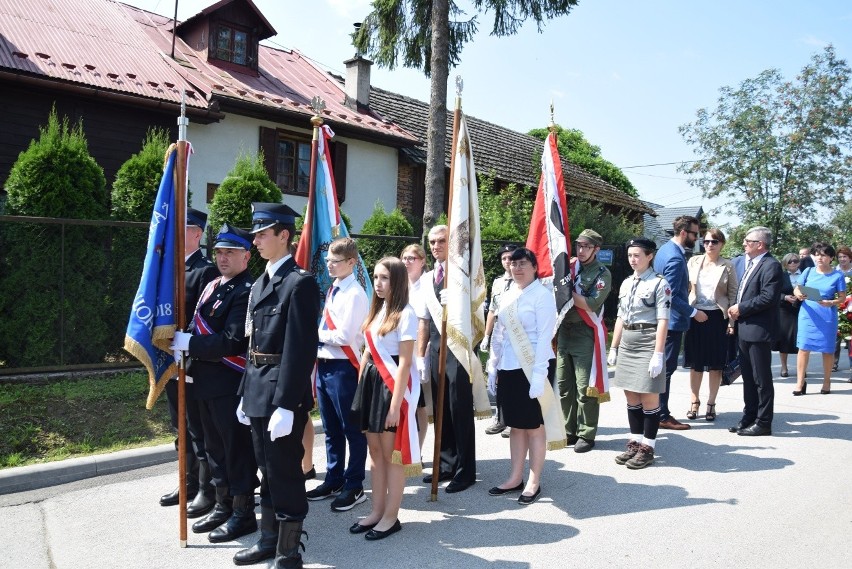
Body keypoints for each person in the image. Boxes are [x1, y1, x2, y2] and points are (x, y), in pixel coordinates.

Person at [234, 203, 320, 569]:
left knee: (284, 471)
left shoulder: (299, 284)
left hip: (281, 394)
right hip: (256, 388)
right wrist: (243, 393)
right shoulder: (260, 283)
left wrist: (286, 404)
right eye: (254, 234)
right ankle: (269, 539)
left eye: (262, 233)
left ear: (284, 235)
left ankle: (289, 550)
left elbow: (301, 349)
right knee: (265, 469)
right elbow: (252, 344)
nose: (255, 240)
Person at [170, 224, 258, 543]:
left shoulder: (245, 289)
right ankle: (223, 504)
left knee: (235, 450)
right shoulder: (215, 285)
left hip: (228, 384)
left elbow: (232, 341)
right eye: (219, 252)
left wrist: (190, 344)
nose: (222, 258)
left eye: (230, 252)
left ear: (246, 256)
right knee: (214, 448)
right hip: (206, 382)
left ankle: (243, 513)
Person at [350, 257, 421, 539]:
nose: (378, 284)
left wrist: (395, 405)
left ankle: (391, 517)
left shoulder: (406, 313)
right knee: (375, 453)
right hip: (371, 383)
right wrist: (360, 385)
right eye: (376, 277)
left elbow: (404, 363)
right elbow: (368, 350)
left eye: (384, 278)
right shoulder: (377, 310)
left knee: (392, 457)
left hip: (390, 388)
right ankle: (376, 511)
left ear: (398, 281)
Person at [160, 207, 219, 518]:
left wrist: (187, 344)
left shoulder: (205, 271)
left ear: (197, 233)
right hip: (170, 359)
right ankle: (186, 482)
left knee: (198, 429)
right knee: (179, 426)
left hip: (192, 360)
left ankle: (205, 489)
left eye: (184, 229)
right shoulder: (169, 268)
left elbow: (204, 320)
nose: (177, 234)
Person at [486, 248, 557, 503]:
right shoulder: (507, 295)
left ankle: (534, 480)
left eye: (523, 264)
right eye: (513, 264)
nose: (517, 268)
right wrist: (494, 365)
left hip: (533, 368)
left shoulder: (542, 296)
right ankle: (515, 477)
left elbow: (544, 338)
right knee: (516, 425)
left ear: (535, 267)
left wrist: (539, 376)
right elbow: (500, 334)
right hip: (510, 367)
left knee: (534, 427)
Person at [306, 238, 370, 512]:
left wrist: (314, 334)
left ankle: (354, 484)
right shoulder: (335, 289)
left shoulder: (355, 294)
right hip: (325, 364)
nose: (329, 265)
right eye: (328, 261)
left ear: (352, 263)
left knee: (351, 429)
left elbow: (344, 335)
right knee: (331, 429)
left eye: (335, 261)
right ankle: (333, 478)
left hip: (345, 367)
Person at [415, 225, 476, 493]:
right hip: (438, 349)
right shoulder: (428, 279)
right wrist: (420, 355)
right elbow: (423, 321)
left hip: (459, 349)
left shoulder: (463, 274)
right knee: (441, 410)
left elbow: (477, 308)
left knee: (459, 408)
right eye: (432, 241)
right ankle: (446, 463)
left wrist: (461, 302)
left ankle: (465, 470)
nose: (436, 245)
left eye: (441, 240)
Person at [607, 237, 671, 469]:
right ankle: (634, 442)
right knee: (631, 395)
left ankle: (648, 447)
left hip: (648, 341)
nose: (633, 260)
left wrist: (658, 353)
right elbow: (621, 318)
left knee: (649, 396)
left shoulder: (659, 283)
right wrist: (613, 347)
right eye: (630, 255)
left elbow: (663, 320)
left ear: (649, 256)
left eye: (637, 255)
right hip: (628, 342)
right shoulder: (625, 283)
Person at [555, 229, 611, 452]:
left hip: (584, 333)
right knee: (563, 385)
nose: (581, 250)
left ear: (596, 249)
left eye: (586, 246)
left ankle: (586, 433)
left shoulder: (602, 273)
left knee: (584, 387)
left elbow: (590, 304)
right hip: (563, 332)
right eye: (579, 245)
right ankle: (569, 430)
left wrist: (566, 291)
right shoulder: (568, 266)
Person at [727, 226, 783, 437]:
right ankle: (749, 417)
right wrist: (734, 317)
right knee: (748, 378)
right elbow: (742, 292)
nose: (744, 244)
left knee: (761, 379)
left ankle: (763, 422)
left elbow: (768, 297)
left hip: (759, 330)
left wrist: (741, 308)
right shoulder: (750, 263)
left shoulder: (771, 265)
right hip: (744, 328)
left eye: (748, 241)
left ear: (760, 245)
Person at [652, 215, 701, 431]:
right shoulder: (674, 257)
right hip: (671, 323)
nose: (696, 238)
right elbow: (669, 295)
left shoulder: (664, 250)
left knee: (662, 369)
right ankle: (661, 414)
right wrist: (693, 312)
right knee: (666, 370)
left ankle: (657, 411)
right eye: (695, 234)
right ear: (684, 233)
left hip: (664, 320)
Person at [683, 228, 737, 422]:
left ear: (721, 244)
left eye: (714, 242)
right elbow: (686, 288)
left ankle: (711, 403)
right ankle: (694, 401)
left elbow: (733, 296)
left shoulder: (728, 265)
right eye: (706, 242)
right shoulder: (693, 261)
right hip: (696, 315)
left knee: (715, 364)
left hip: (717, 318)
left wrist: (731, 322)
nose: (709, 245)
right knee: (695, 363)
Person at [793, 242, 846, 396]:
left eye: (823, 255)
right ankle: (800, 382)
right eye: (816, 254)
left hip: (827, 314)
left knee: (828, 350)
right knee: (803, 348)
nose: (819, 257)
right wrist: (798, 294)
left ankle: (827, 381)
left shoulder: (837, 275)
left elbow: (842, 298)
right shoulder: (808, 271)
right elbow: (797, 287)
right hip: (807, 314)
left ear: (831, 258)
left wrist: (831, 302)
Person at [480, 244, 517, 436]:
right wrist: (487, 335)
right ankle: (500, 418)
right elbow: (492, 310)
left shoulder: (523, 282)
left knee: (512, 376)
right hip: (498, 335)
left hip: (515, 336)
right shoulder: (497, 283)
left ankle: (512, 419)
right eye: (504, 258)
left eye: (511, 258)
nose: (507, 262)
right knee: (496, 375)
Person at [401, 243, 431, 450]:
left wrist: (421, 357)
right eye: (404, 258)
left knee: (419, 404)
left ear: (422, 261)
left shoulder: (426, 285)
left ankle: (417, 449)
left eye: (412, 258)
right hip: (401, 350)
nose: (407, 262)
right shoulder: (400, 285)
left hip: (419, 351)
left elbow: (424, 322)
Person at [773, 253, 801, 377]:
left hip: (802, 310)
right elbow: (773, 293)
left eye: (795, 261)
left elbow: (812, 290)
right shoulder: (780, 276)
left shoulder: (805, 275)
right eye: (790, 261)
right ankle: (784, 367)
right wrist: (785, 297)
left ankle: (802, 368)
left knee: (801, 340)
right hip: (784, 310)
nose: (793, 263)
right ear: (785, 263)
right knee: (784, 339)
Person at [832, 246, 852, 370]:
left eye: (844, 256)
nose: (842, 259)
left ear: (850, 258)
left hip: (850, 309)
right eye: (840, 257)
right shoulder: (834, 271)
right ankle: (833, 363)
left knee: (851, 339)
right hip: (837, 308)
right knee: (835, 338)